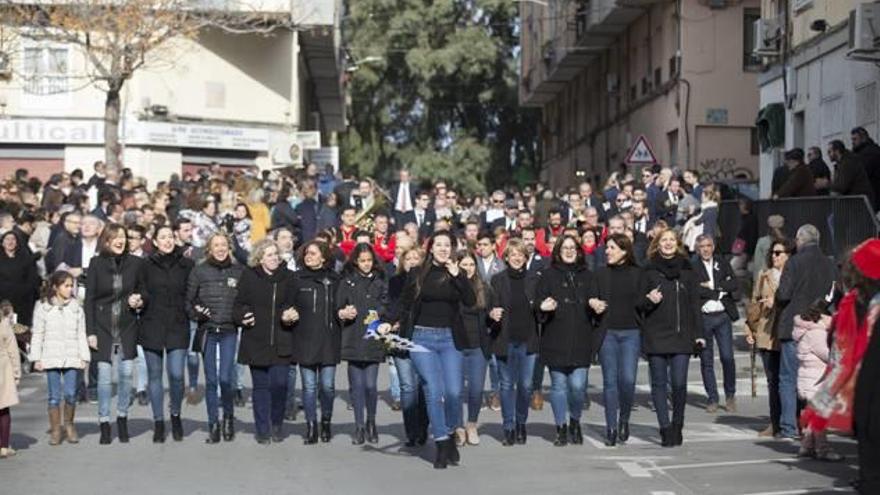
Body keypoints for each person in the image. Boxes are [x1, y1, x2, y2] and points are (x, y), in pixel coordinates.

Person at [377, 230, 476, 469]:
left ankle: (451, 431)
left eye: (447, 245)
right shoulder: (417, 272)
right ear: (430, 248)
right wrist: (388, 321)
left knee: (453, 392)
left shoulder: (457, 273)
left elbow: (471, 301)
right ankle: (441, 442)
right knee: (433, 390)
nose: (443, 249)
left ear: (452, 249)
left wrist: (458, 277)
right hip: (422, 338)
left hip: (449, 339)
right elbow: (404, 301)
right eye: (438, 245)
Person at [639, 228, 704, 447]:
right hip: (656, 335)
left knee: (679, 383)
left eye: (671, 240)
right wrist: (649, 300)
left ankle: (678, 423)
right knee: (658, 384)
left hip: (681, 335)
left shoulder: (688, 270)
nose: (667, 243)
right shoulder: (647, 271)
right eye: (663, 240)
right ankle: (665, 428)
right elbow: (638, 305)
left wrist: (699, 334)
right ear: (657, 244)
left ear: (678, 244)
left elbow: (695, 304)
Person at [84, 223, 145, 444]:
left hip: (127, 325)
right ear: (106, 241)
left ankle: (122, 417)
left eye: (123, 237)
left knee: (127, 372)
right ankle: (104, 422)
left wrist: (139, 299)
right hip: (102, 326)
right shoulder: (96, 264)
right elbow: (89, 299)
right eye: (115, 237)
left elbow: (145, 290)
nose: (120, 240)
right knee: (103, 376)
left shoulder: (137, 263)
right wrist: (90, 331)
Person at [775, 224, 836, 440]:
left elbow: (783, 294)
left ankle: (789, 427)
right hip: (820, 324)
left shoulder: (794, 262)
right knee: (816, 379)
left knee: (788, 378)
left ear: (800, 240)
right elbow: (832, 295)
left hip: (796, 325)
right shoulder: (829, 264)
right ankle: (810, 427)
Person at [233, 238, 295, 444]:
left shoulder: (288, 277)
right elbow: (238, 305)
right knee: (260, 388)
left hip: (282, 339)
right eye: (269, 255)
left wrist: (292, 314)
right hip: (256, 341)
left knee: (280, 384)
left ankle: (276, 422)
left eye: (276, 254)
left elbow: (295, 304)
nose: (274, 258)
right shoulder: (249, 276)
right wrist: (244, 315)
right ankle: (262, 429)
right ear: (260, 258)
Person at [535, 234, 594, 447]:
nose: (569, 251)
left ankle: (575, 421)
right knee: (558, 386)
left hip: (581, 339)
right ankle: (560, 427)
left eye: (572, 248)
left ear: (578, 251)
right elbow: (538, 304)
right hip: (556, 338)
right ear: (558, 252)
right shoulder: (548, 275)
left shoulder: (588, 275)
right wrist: (543, 307)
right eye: (564, 248)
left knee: (578, 387)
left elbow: (596, 303)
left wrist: (595, 307)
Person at [138, 225, 194, 442]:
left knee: (177, 375)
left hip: (178, 324)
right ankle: (159, 421)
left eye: (170, 236)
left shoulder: (186, 264)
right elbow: (140, 288)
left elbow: (192, 291)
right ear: (155, 241)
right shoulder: (145, 265)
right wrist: (138, 299)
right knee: (154, 375)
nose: (168, 241)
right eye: (163, 237)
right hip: (152, 323)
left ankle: (176, 414)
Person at [186, 232, 244, 444]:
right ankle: (213, 425)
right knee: (211, 381)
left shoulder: (238, 271)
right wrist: (197, 313)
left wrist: (241, 316)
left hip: (229, 330)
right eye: (216, 245)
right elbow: (189, 302)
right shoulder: (199, 271)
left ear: (229, 247)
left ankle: (228, 418)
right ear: (209, 249)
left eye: (224, 245)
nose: (220, 249)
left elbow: (245, 300)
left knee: (226, 378)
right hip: (208, 331)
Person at [283, 240, 341, 445]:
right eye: (307, 253)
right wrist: (287, 313)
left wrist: (344, 312)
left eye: (313, 253)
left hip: (328, 340)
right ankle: (311, 426)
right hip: (304, 339)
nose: (309, 256)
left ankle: (326, 420)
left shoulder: (334, 279)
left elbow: (342, 305)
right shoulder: (296, 278)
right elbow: (287, 304)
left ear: (323, 256)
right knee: (308, 387)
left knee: (327, 386)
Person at [588, 233, 642, 446]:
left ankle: (624, 419)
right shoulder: (600, 274)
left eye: (611, 248)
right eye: (606, 248)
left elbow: (645, 302)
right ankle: (610, 426)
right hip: (607, 333)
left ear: (624, 251)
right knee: (610, 382)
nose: (607, 251)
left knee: (627, 381)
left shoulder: (638, 273)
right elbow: (591, 296)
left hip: (631, 333)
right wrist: (592, 302)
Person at [488, 238, 540, 446]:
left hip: (528, 340)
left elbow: (539, 309)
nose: (517, 258)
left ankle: (521, 423)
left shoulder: (534, 279)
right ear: (506, 257)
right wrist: (492, 312)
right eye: (513, 254)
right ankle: (508, 427)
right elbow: (491, 306)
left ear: (526, 258)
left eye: (521, 254)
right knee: (507, 385)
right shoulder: (497, 280)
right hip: (505, 339)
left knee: (526, 386)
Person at [336, 243, 388, 445]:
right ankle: (358, 425)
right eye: (362, 261)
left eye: (369, 260)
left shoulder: (380, 280)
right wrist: (344, 312)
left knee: (371, 385)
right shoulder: (347, 281)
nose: (366, 264)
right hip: (353, 336)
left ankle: (371, 422)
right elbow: (339, 305)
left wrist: (380, 313)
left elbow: (386, 302)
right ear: (356, 262)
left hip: (373, 336)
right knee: (356, 386)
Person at [746, 238, 794, 437]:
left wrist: (777, 301)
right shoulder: (764, 276)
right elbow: (753, 305)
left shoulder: (793, 276)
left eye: (779, 252)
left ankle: (791, 421)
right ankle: (774, 422)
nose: (774, 256)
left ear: (788, 256)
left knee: (790, 380)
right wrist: (750, 330)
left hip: (786, 333)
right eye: (773, 253)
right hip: (766, 333)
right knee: (772, 380)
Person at [692, 234, 739, 413]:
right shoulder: (693, 265)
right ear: (697, 248)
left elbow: (733, 283)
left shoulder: (722, 262)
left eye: (709, 245)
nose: (706, 249)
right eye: (702, 246)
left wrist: (712, 288)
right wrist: (714, 291)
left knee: (727, 357)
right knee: (707, 360)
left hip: (722, 316)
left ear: (713, 247)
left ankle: (730, 394)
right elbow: (693, 289)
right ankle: (712, 397)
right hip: (704, 317)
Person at [388, 246, 429, 447]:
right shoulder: (395, 282)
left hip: (423, 338)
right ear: (402, 262)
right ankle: (411, 431)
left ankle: (423, 427)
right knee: (407, 386)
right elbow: (390, 307)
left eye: (416, 258)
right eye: (408, 258)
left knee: (423, 385)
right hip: (400, 338)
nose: (412, 261)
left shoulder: (428, 282)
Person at [793, 301, 842, 461]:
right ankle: (823, 449)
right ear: (821, 316)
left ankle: (806, 446)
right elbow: (829, 356)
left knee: (813, 415)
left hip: (808, 379)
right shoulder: (817, 333)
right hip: (816, 380)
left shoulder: (806, 330)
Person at [454, 250, 490, 446]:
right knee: (456, 390)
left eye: (471, 265)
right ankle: (458, 427)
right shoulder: (452, 287)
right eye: (463, 265)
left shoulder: (483, 287)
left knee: (476, 390)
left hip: (478, 347)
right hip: (456, 346)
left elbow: (492, 312)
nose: (467, 269)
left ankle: (472, 424)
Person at [0, 231, 40, 328]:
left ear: (17, 242)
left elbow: (32, 279)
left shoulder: (26, 258)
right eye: (7, 239)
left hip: (22, 301)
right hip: (2, 300)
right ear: (2, 243)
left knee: (20, 330)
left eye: (13, 239)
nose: (10, 242)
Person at [828, 139, 875, 206]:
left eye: (829, 152)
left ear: (837, 151)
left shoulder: (848, 163)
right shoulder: (843, 163)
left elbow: (841, 186)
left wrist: (827, 184)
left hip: (859, 203)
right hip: (856, 202)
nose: (828, 154)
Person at [0, 303, 20, 458]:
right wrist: (16, 373)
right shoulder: (3, 323)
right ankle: (4, 446)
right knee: (4, 409)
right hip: (2, 369)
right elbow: (13, 350)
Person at [850, 126, 880, 211]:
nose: (852, 142)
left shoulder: (869, 153)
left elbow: (859, 173)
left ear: (863, 138)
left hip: (869, 197)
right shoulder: (862, 153)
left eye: (855, 139)